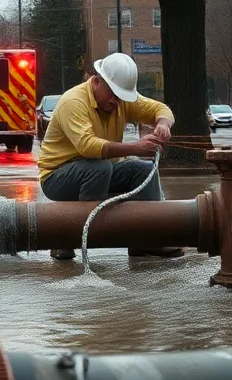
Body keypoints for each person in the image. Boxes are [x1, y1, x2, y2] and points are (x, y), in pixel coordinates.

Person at [38, 52, 182, 260]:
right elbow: (88, 147)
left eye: (121, 97)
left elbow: (160, 109)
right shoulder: (73, 102)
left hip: (99, 168)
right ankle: (68, 236)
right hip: (57, 177)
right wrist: (135, 147)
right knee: (99, 168)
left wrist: (162, 124)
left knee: (144, 169)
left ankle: (146, 240)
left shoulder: (119, 100)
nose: (115, 102)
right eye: (112, 94)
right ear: (96, 82)